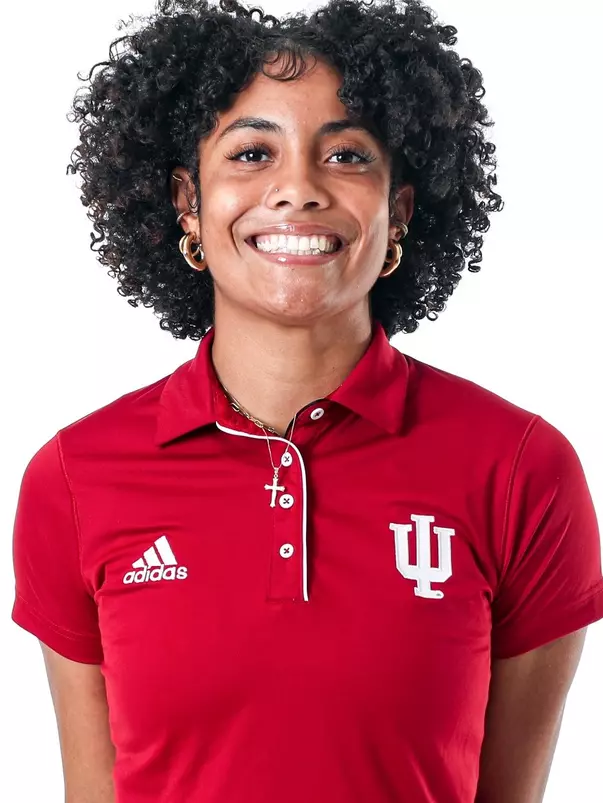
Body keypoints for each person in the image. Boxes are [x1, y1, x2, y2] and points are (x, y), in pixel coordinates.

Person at [10, 0, 603, 801]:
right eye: (252, 152)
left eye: (347, 156)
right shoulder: (76, 477)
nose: (296, 190)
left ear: (397, 210)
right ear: (188, 202)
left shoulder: (519, 468)